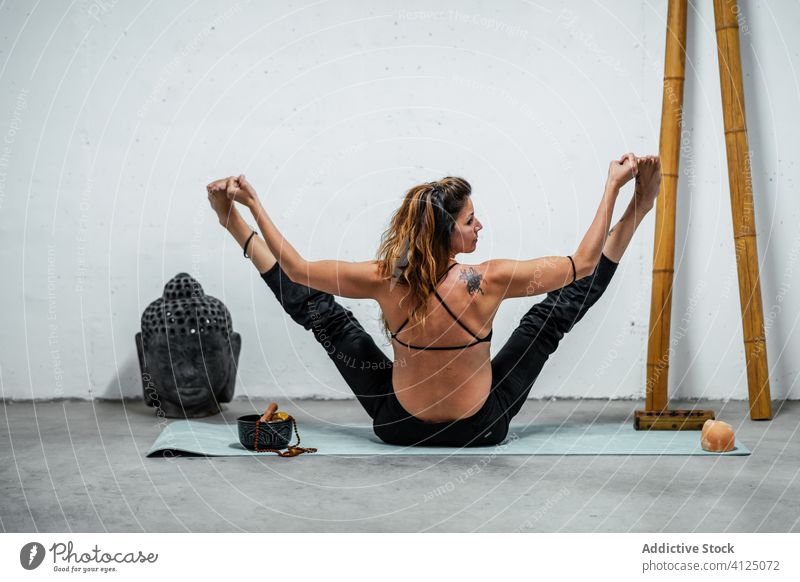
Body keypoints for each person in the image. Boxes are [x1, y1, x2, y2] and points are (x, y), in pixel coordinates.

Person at [206, 153, 661, 447]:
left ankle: (230, 224)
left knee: (324, 316)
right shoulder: (490, 277)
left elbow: (299, 271)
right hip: (481, 428)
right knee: (551, 317)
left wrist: (251, 206)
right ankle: (643, 208)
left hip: (398, 427)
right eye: (470, 219)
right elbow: (582, 265)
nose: (479, 225)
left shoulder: (387, 279)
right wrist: (616, 190)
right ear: (448, 232)